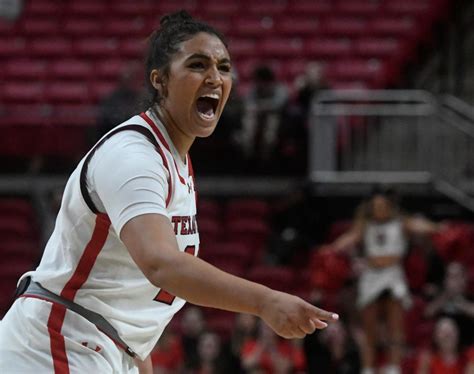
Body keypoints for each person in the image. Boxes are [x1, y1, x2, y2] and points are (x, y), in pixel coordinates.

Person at [0, 11, 338, 373]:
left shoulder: (175, 161)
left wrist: (137, 360)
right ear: (159, 81)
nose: (215, 77)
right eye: (198, 65)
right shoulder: (133, 156)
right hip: (52, 345)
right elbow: (161, 264)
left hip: (96, 347)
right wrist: (265, 301)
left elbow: (127, 298)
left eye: (224, 67)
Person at [326, 186, 440, 374]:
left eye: (382, 205)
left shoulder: (401, 223)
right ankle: (369, 368)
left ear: (390, 206)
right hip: (371, 276)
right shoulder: (365, 226)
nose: (379, 209)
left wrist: (439, 227)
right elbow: (348, 239)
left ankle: (393, 367)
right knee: (369, 327)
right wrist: (331, 248)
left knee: (395, 325)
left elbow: (419, 225)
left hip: (393, 275)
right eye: (375, 206)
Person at [424, 262, 474, 349]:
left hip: (466, 347)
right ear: (445, 280)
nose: (453, 280)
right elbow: (427, 313)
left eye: (457, 276)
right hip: (441, 348)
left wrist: (459, 302)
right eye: (450, 276)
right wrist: (446, 296)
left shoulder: (470, 298)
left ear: (464, 279)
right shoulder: (439, 298)